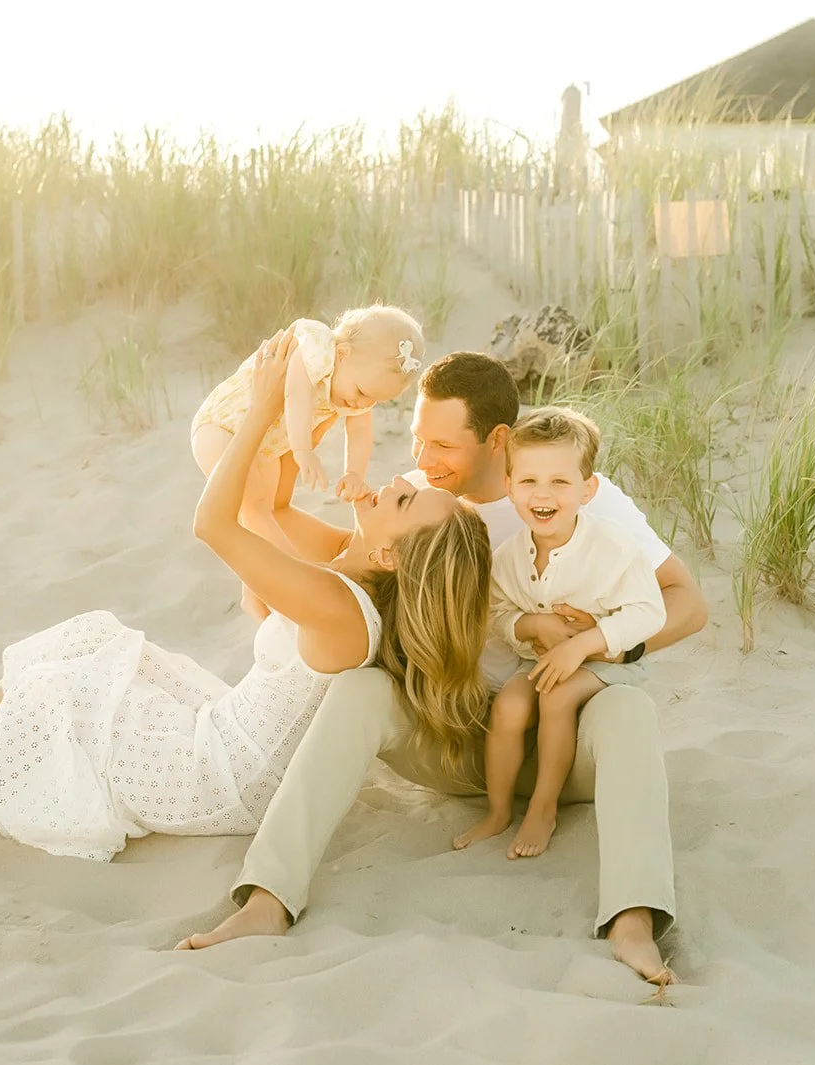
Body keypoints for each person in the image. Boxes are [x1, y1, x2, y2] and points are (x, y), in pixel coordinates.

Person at [0, 330, 491, 885]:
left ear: (394, 558)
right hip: (227, 721)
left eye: (403, 501)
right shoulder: (350, 561)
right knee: (94, 635)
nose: (393, 484)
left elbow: (214, 525)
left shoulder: (341, 606)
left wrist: (256, 414)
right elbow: (274, 507)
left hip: (219, 773)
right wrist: (300, 410)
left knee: (62, 690)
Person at [181, 352, 709, 985]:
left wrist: (593, 643)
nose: (422, 461)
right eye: (416, 441)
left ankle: (632, 919)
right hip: (454, 743)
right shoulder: (424, 504)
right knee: (361, 688)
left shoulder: (563, 492)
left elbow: (687, 602)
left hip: (557, 742)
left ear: (497, 441)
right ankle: (269, 898)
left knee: (628, 706)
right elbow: (331, 555)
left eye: (442, 445)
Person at [453, 407, 665, 858]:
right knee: (509, 706)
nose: (542, 494)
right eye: (528, 481)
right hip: (540, 659)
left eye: (560, 482)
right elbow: (496, 612)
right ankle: (497, 810)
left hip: (609, 664)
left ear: (587, 490)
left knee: (557, 695)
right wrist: (527, 624)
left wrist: (587, 643)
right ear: (509, 486)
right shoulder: (511, 556)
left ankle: (543, 807)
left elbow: (649, 611)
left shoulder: (612, 545)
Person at [191, 305, 425, 620]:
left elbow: (359, 430)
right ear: (342, 354)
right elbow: (295, 394)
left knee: (269, 509)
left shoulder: (356, 385)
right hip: (221, 426)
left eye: (373, 400)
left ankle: (256, 588)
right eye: (361, 392)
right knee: (256, 507)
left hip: (267, 444)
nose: (360, 403)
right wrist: (302, 451)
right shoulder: (317, 347)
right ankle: (301, 581)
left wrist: (354, 472)